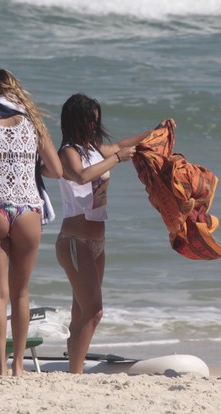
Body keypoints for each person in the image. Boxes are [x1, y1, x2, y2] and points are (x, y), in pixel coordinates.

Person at [55, 93, 175, 374]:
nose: (95, 125)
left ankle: (73, 369)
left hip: (97, 242)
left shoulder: (94, 149)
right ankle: (76, 373)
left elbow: (122, 145)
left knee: (80, 314)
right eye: (90, 120)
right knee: (94, 312)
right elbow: (82, 176)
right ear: (76, 121)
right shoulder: (68, 152)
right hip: (74, 241)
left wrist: (156, 131)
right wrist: (118, 159)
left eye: (97, 120)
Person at [0, 69, 63, 376]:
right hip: (28, 210)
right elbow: (56, 170)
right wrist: (28, 165)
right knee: (21, 292)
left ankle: (0, 367)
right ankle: (19, 365)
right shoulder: (33, 122)